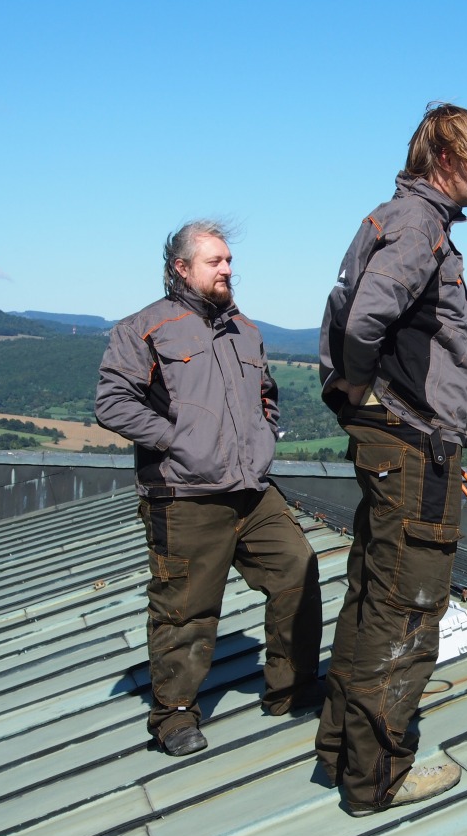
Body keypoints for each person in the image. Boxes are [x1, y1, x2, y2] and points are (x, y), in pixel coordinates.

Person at [316, 102, 467, 815]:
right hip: (412, 444)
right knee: (409, 610)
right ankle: (379, 778)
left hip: (394, 440)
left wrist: (358, 399)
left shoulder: (387, 217)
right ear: (443, 156)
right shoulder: (420, 226)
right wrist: (372, 398)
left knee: (372, 593)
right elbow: (365, 319)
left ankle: (342, 753)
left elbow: (345, 319)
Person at [95, 219, 323, 758]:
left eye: (227, 261)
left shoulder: (246, 328)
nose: (227, 269)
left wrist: (265, 437)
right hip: (185, 492)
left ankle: (291, 689)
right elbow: (111, 402)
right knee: (187, 607)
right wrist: (178, 440)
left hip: (251, 487)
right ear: (181, 268)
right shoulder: (145, 329)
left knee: (299, 568)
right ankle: (174, 717)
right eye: (214, 261)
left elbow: (267, 394)